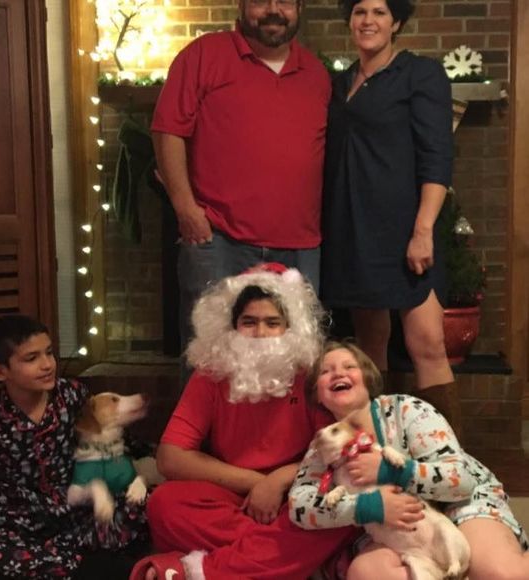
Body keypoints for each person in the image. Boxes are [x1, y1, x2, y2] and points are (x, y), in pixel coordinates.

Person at [130, 264, 359, 580]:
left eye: (272, 323)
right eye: (249, 322)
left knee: (342, 507)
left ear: (290, 328)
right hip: (234, 497)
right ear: (232, 327)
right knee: (165, 504)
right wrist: (257, 484)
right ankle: (291, 563)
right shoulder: (211, 374)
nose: (260, 334)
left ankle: (198, 569)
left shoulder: (312, 375)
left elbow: (338, 449)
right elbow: (170, 457)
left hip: (298, 494)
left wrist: (278, 480)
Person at [151, 0, 331, 381]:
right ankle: (198, 425)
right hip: (218, 240)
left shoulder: (316, 73)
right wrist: (185, 208)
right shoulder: (203, 56)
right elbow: (168, 130)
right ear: (241, 5)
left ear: (299, 8)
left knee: (296, 365)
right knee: (207, 362)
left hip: (299, 245)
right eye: (261, 0)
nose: (273, 10)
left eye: (285, 2)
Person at [320, 0, 460, 432]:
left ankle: (448, 458)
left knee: (428, 344)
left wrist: (423, 230)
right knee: (369, 346)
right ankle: (378, 446)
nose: (368, 21)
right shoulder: (339, 82)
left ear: (396, 21)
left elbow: (437, 157)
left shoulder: (420, 74)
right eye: (360, 11)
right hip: (353, 226)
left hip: (405, 227)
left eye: (379, 12)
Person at [289, 340, 529, 580]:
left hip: (459, 501)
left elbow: (461, 480)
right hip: (395, 529)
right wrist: (367, 507)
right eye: (325, 371)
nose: (338, 373)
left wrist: (392, 471)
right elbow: (299, 507)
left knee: (500, 574)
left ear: (368, 379)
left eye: (349, 366)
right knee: (367, 574)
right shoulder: (323, 445)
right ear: (316, 394)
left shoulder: (406, 410)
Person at [0, 314, 149, 579]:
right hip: (16, 523)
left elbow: (110, 436)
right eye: (32, 358)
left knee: (145, 503)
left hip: (76, 512)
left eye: (49, 353)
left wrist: (145, 457)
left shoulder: (72, 394)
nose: (47, 365)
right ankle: (71, 564)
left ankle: (33, 566)